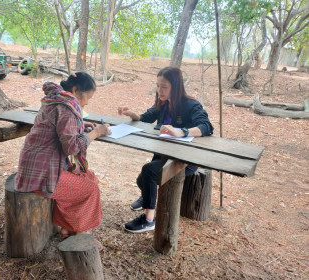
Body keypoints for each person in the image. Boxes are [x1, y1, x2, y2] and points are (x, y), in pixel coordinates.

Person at [14, 72, 111, 240]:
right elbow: (72, 147)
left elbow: (62, 128)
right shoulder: (66, 107)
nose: (87, 102)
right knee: (90, 189)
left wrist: (80, 124)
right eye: (88, 97)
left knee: (90, 177)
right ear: (75, 90)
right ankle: (81, 234)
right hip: (42, 175)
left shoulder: (57, 99)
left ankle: (67, 228)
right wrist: (96, 133)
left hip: (37, 167)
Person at [118, 66, 214, 233]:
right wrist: (131, 114)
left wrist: (181, 132)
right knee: (142, 180)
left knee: (148, 171)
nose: (159, 90)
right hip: (163, 154)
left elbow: (206, 126)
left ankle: (149, 220)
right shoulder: (163, 104)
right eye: (157, 85)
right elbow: (145, 118)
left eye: (164, 87)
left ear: (175, 87)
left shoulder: (191, 105)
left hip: (184, 160)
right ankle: (148, 197)